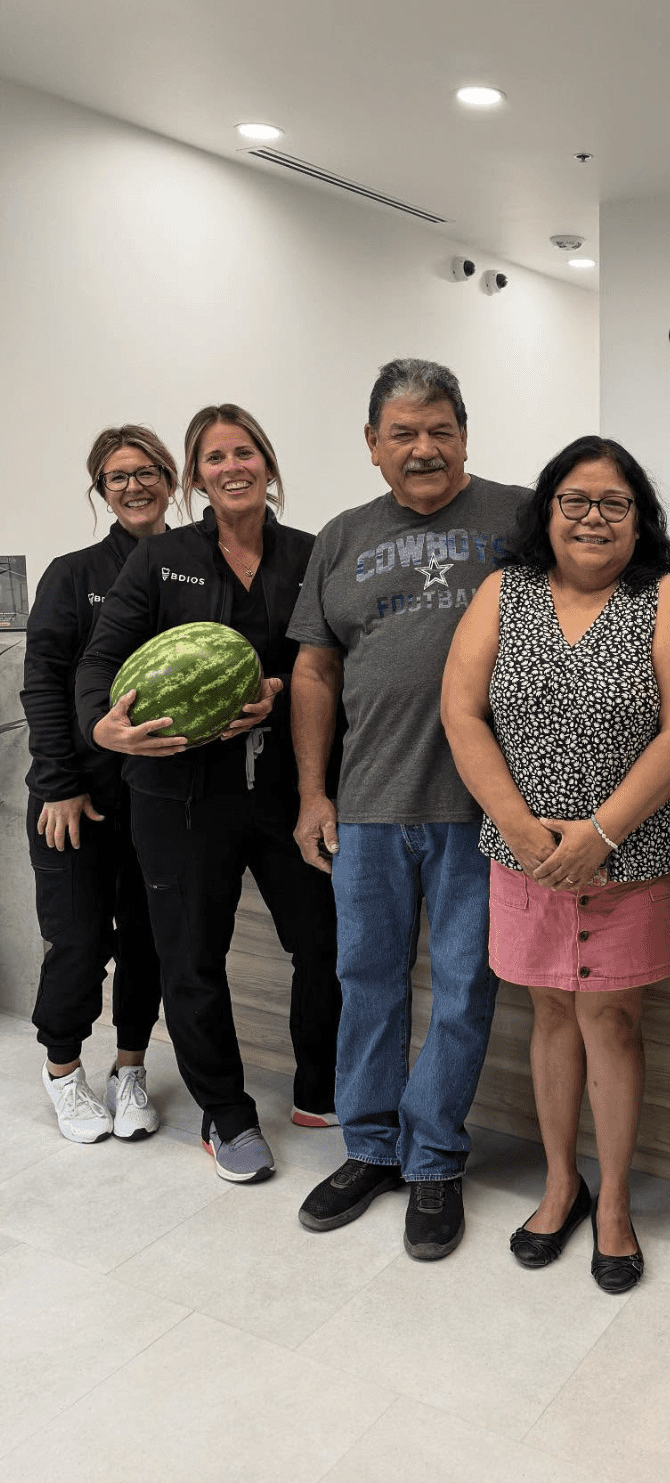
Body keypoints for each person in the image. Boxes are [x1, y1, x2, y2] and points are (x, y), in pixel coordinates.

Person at [442, 437, 670, 1291]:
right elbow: (461, 711)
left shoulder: (665, 597)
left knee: (614, 1023)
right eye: (576, 501)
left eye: (614, 503)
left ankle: (616, 1204)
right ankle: (562, 1186)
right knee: (551, 1016)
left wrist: (601, 833)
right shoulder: (504, 591)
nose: (594, 518)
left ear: (639, 518)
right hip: (524, 855)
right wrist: (518, 826)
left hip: (633, 858)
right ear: (548, 510)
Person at [290, 358, 527, 1260]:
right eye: (404, 434)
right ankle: (370, 1148)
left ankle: (433, 1159)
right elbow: (315, 671)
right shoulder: (342, 537)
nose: (423, 449)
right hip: (369, 805)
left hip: (484, 809)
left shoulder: (521, 518)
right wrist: (313, 793)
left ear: (465, 435)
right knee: (367, 981)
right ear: (372, 444)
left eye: (440, 430)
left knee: (465, 987)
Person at [76, 404, 342, 1184]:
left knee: (324, 944)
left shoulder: (310, 554)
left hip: (287, 788)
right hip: (178, 797)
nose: (233, 467)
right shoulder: (162, 559)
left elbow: (329, 660)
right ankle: (225, 1113)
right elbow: (101, 660)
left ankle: (320, 1088)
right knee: (191, 957)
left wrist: (275, 689)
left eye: (245, 451)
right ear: (195, 476)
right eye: (215, 457)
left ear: (267, 462)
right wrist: (102, 727)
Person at [23, 426, 175, 1144]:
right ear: (101, 491)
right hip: (77, 798)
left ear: (170, 480)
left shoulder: (192, 569)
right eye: (118, 477)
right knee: (79, 942)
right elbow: (43, 683)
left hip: (160, 798)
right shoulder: (73, 573)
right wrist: (58, 783)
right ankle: (62, 1071)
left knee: (148, 941)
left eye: (147, 472)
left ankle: (130, 1069)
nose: (135, 486)